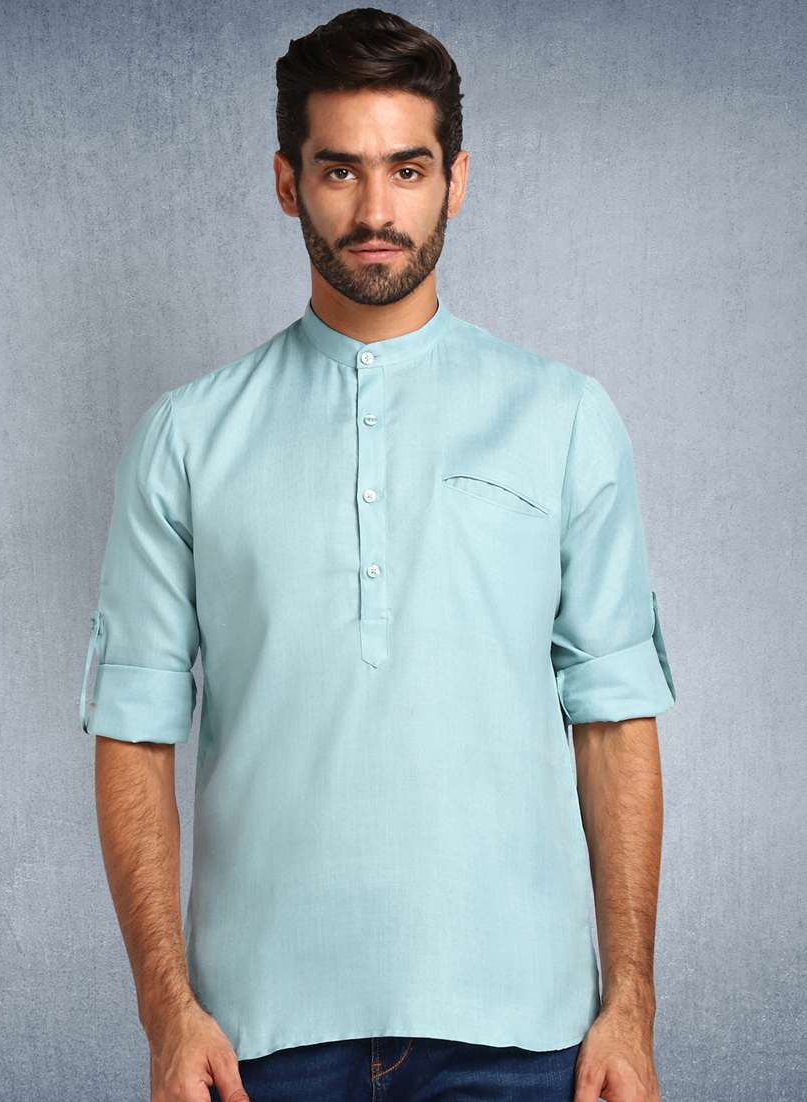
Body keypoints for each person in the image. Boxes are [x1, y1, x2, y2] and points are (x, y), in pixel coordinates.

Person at [79, 9, 677, 1102]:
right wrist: (168, 1014)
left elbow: (614, 722)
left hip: (526, 1031)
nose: (374, 212)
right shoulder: (188, 437)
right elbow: (133, 732)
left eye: (406, 169)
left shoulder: (564, 419)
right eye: (338, 170)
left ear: (456, 180)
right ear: (285, 182)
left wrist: (628, 1006)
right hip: (254, 1040)